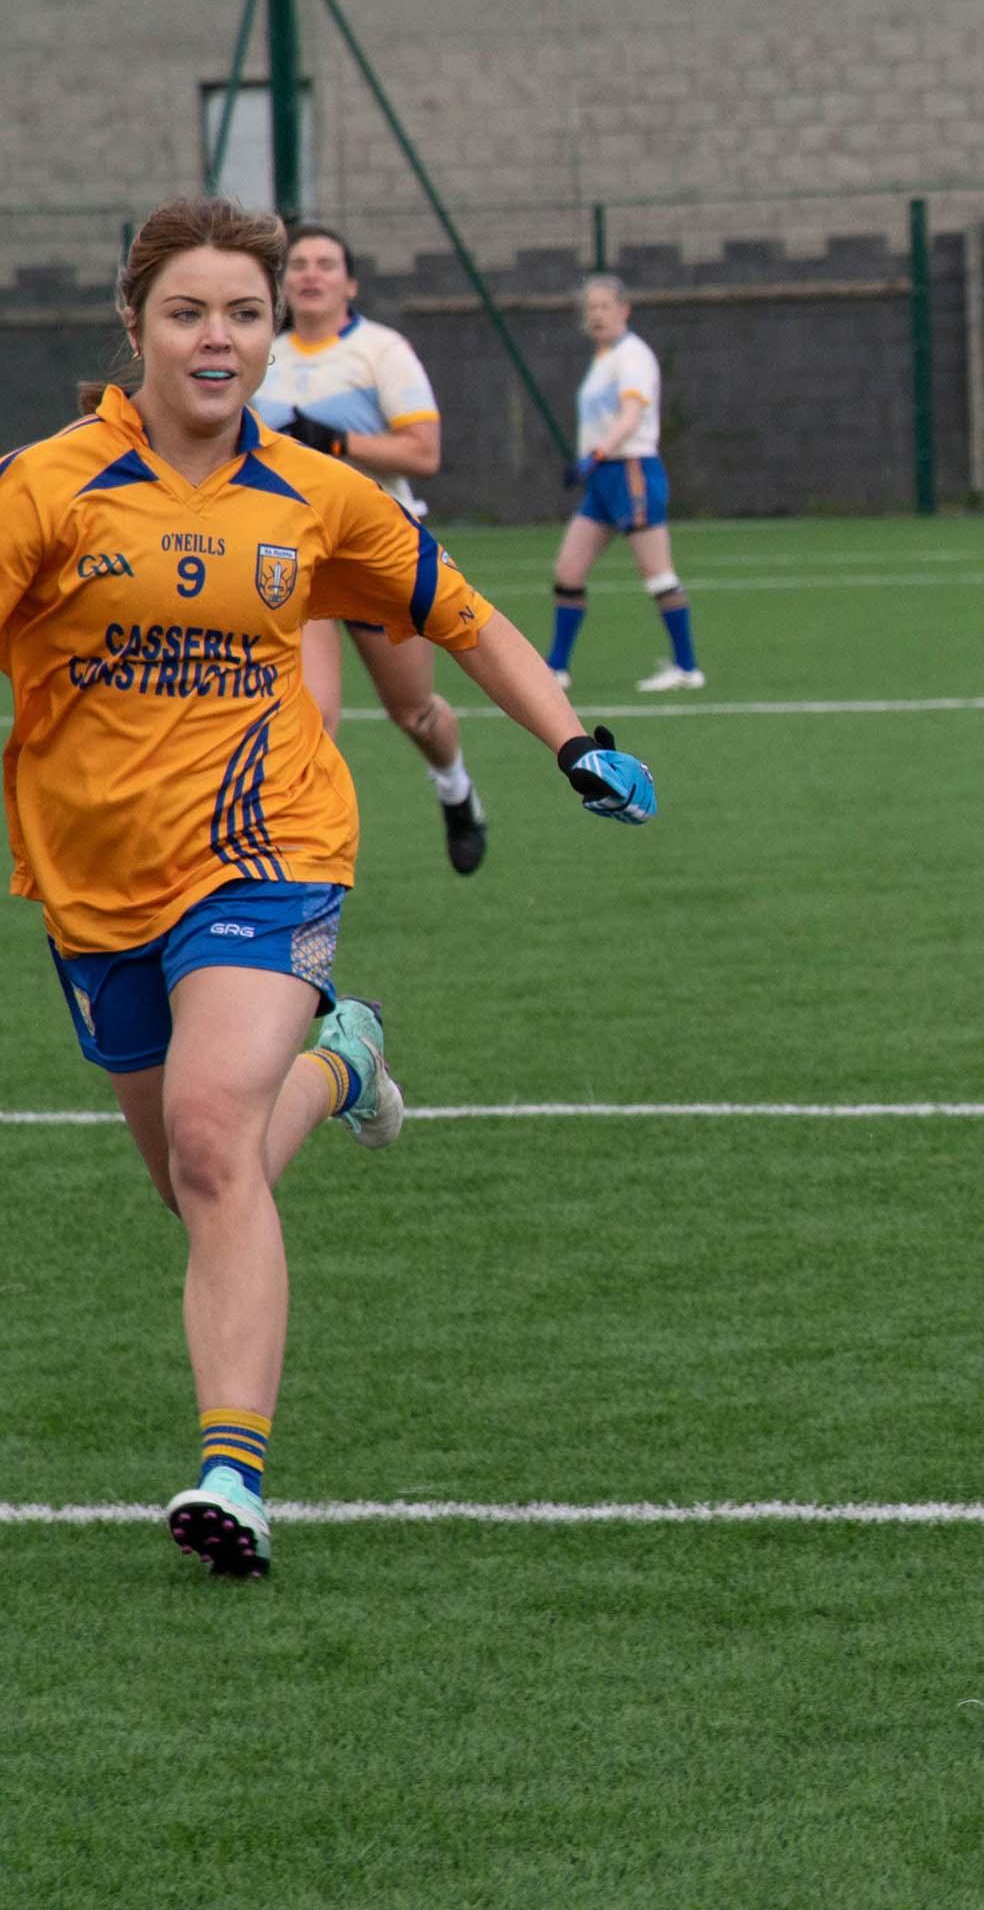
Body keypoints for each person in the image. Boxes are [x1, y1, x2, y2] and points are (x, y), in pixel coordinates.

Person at [0, 196, 659, 1580]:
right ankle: (346, 1063)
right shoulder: (46, 489)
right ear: (136, 328)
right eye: (188, 311)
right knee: (202, 1188)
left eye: (242, 311)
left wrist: (574, 742)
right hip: (91, 882)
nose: (220, 335)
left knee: (207, 1142)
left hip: (269, 846)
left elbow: (459, 611)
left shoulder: (314, 490)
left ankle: (231, 1474)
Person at [253, 222, 489, 873]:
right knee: (312, 721)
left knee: (413, 713)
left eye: (325, 263)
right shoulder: (259, 356)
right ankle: (298, 869)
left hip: (376, 550)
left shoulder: (382, 352)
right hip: (294, 558)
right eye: (298, 263)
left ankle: (455, 788)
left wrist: (336, 443)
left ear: (349, 282)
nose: (310, 274)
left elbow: (424, 452)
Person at [546, 275, 703, 692]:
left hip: (630, 468)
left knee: (656, 572)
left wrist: (594, 456)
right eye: (590, 308)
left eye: (604, 306)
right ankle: (555, 669)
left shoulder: (632, 355)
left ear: (624, 309)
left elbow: (631, 416)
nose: (596, 314)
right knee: (568, 570)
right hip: (604, 477)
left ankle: (687, 667)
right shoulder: (603, 359)